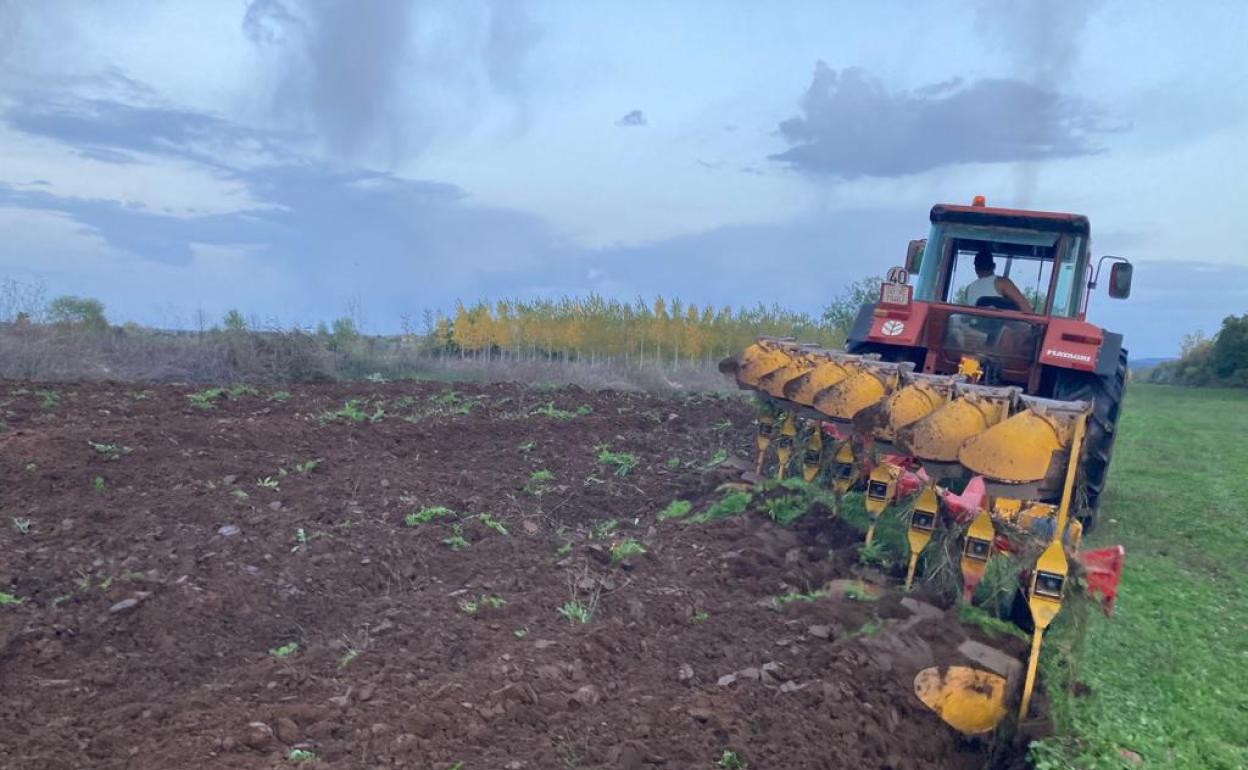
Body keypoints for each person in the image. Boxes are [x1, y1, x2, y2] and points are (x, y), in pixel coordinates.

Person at [964, 247, 1032, 312]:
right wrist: (1035, 323)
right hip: (1000, 323)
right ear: (994, 266)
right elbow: (1022, 303)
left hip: (975, 323)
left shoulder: (969, 289)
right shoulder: (1002, 282)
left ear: (976, 269)